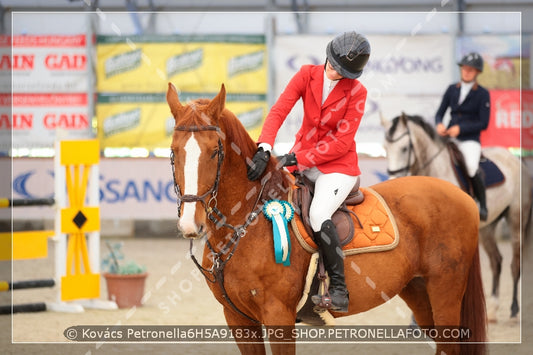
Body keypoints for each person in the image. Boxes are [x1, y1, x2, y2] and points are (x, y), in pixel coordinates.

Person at [247, 31, 370, 312]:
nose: (336, 73)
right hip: (301, 159)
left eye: (344, 72)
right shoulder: (306, 75)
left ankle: (339, 289)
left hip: (337, 168)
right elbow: (279, 110)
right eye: (334, 66)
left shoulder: (357, 92)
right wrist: (265, 146)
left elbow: (341, 143)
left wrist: (298, 158)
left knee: (317, 214)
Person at [435, 52, 490, 221]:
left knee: (472, 167)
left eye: (471, 70)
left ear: (477, 73)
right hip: (450, 137)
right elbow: (440, 113)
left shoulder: (482, 94)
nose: (467, 72)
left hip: (469, 140)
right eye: (465, 68)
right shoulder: (452, 89)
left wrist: (461, 128)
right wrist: (439, 124)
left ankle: (482, 204)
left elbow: (483, 123)